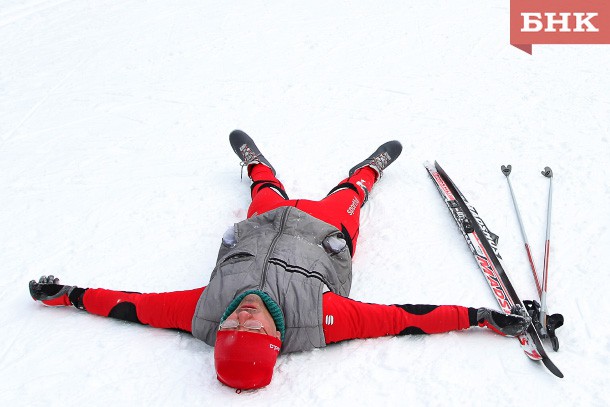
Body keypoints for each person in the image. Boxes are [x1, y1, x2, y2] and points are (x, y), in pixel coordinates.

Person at [29, 130, 531, 391]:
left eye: (233, 325)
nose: (241, 315)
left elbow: (130, 305)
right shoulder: (323, 320)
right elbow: (404, 321)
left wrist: (67, 295)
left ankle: (254, 163)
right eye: (251, 327)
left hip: (263, 225)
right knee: (351, 192)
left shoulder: (204, 312)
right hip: (323, 231)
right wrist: (482, 318)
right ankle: (368, 171)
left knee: (265, 188)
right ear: (275, 339)